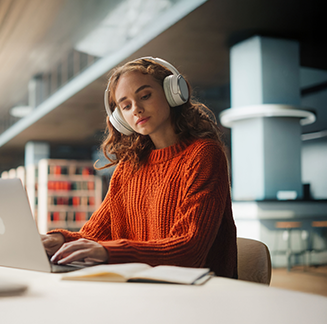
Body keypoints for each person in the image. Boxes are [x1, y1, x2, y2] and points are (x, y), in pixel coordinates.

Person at [42, 57, 237, 279]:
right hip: (145, 288)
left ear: (172, 93)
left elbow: (189, 250)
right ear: (120, 119)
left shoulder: (203, 154)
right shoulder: (128, 167)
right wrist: (59, 240)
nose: (137, 109)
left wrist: (109, 252)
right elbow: (95, 234)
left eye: (145, 96)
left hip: (199, 292)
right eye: (126, 105)